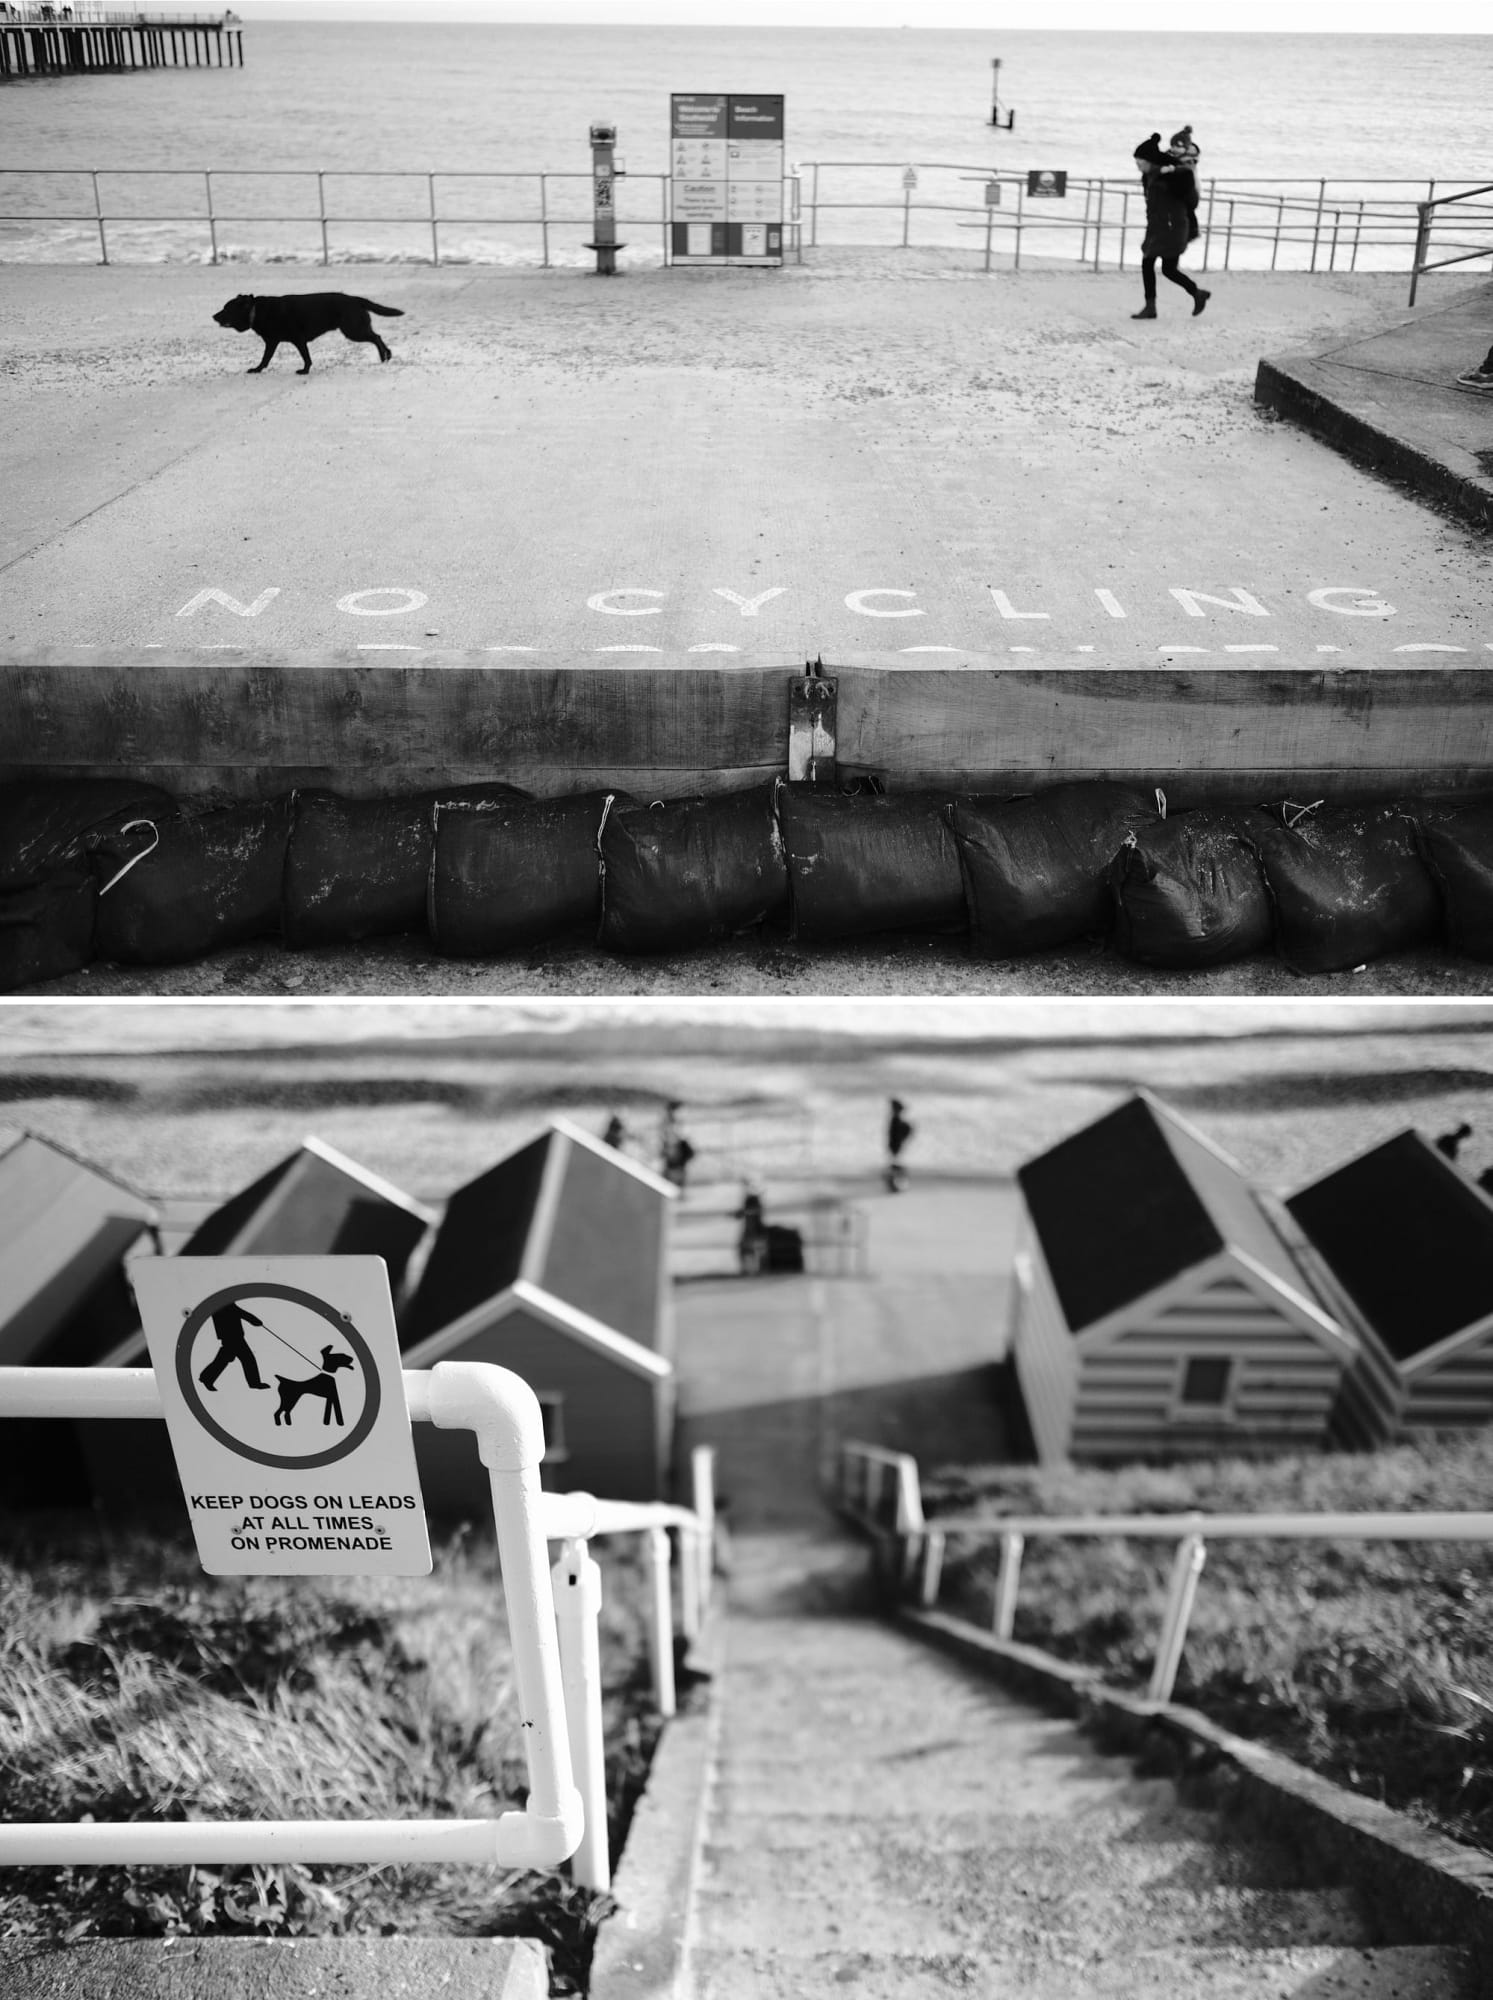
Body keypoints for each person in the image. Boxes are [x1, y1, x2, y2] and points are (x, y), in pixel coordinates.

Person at [1132, 126, 1210, 322]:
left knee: (1153, 264)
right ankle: (1195, 293)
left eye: (1140, 161)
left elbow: (1187, 180)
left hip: (1172, 228)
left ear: (1149, 161)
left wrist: (1171, 169)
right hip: (1159, 227)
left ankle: (1152, 307)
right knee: (1165, 268)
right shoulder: (1150, 175)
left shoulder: (1173, 176)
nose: (1138, 165)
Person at [198, 1299, 271, 1391]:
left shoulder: (217, 1302)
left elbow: (237, 1311)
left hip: (230, 1336)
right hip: (233, 1336)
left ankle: (206, 1377)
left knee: (224, 1359)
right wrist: (254, 1320)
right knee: (247, 1359)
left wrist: (254, 1320)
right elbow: (238, 1311)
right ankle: (254, 1383)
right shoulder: (223, 1303)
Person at [735, 1183, 769, 1276]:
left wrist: (741, 1213)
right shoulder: (753, 1199)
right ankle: (750, 1270)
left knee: (753, 1250)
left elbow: (742, 1213)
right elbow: (741, 1214)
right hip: (754, 1230)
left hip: (753, 1230)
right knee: (752, 1250)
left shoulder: (752, 1199)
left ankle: (750, 1270)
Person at [885, 1097, 913, 1193]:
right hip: (895, 1146)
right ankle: (895, 1185)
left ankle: (896, 1185)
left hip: (896, 1146)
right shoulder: (896, 1119)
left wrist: (901, 1140)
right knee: (895, 1166)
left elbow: (899, 1133)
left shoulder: (897, 1120)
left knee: (896, 1166)